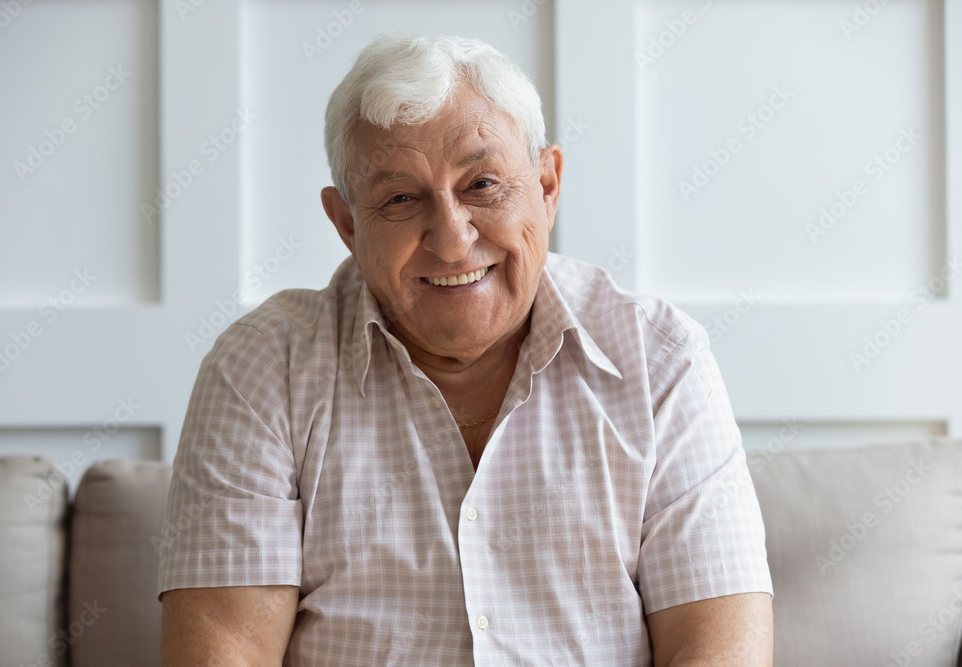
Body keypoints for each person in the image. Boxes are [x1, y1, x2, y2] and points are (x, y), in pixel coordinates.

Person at [158, 33, 774, 666]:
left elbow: (717, 651)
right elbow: (224, 652)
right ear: (346, 223)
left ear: (547, 184)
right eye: (400, 198)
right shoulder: (263, 367)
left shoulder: (661, 359)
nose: (452, 241)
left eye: (483, 184)